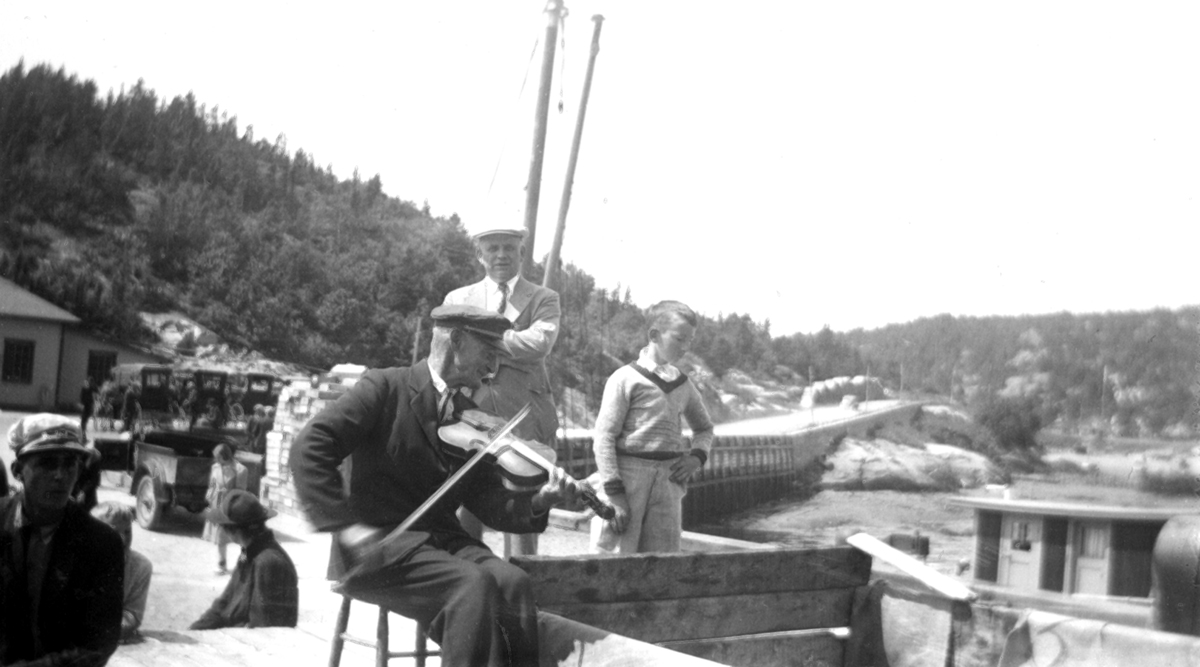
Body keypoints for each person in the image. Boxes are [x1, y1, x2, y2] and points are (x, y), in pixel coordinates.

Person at [289, 304, 581, 667]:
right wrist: (346, 527)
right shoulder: (384, 387)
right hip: (379, 547)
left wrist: (540, 499)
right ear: (457, 340)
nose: (492, 368)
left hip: (441, 543)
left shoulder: (468, 419)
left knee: (512, 582)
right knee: (471, 586)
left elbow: (490, 503)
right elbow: (310, 447)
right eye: (488, 353)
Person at [442, 226, 562, 556]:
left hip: (525, 416)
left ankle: (523, 587)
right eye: (492, 248)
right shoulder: (458, 298)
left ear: (522, 254)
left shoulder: (544, 298)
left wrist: (482, 337)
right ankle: (467, 577)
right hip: (471, 417)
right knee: (467, 502)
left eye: (509, 248)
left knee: (524, 506)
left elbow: (538, 344)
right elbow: (450, 352)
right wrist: (510, 342)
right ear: (480, 255)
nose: (501, 255)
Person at [590, 300, 715, 554]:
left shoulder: (683, 385)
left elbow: (704, 428)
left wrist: (696, 457)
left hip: (668, 483)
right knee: (615, 553)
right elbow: (604, 438)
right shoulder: (624, 378)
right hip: (628, 479)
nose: (686, 347)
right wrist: (615, 495)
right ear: (654, 335)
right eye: (680, 339)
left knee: (663, 559)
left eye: (690, 341)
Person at [1, 413, 124, 665]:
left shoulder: (101, 543)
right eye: (47, 463)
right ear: (17, 471)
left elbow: (99, 643)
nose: (60, 475)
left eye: (70, 463)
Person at [189, 489, 298, 630]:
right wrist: (196, 629)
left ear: (235, 531)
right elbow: (224, 603)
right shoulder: (249, 553)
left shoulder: (268, 564)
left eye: (223, 527)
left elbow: (263, 629)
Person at [91, 502, 152, 644]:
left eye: (127, 531)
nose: (123, 539)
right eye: (114, 532)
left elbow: (132, 615)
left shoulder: (140, 567)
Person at [203, 444, 248, 575]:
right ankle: (222, 563)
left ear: (225, 456)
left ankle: (245, 562)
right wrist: (210, 496)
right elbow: (212, 483)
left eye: (218, 457)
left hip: (232, 506)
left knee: (242, 538)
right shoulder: (215, 467)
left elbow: (240, 491)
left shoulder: (240, 470)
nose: (216, 460)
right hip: (217, 505)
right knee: (220, 538)